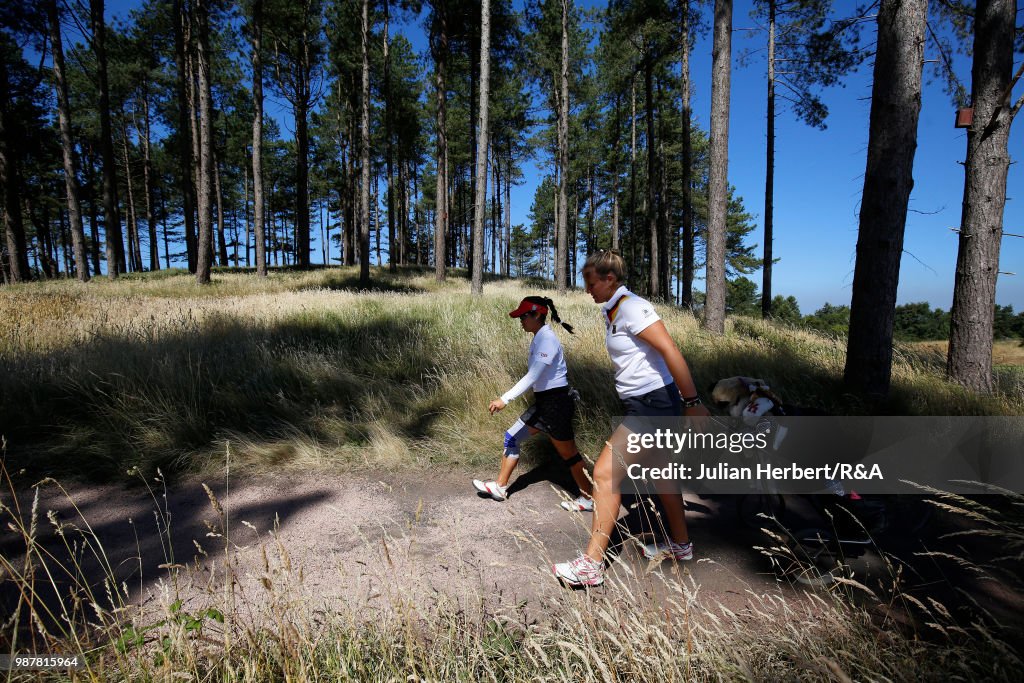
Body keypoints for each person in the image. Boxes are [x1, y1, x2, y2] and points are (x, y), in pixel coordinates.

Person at [552, 250, 710, 587]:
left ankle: (591, 566)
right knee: (662, 473)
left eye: (591, 282)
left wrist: (693, 401)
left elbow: (671, 350)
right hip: (648, 404)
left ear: (610, 279)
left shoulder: (634, 308)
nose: (587, 289)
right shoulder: (613, 310)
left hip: (654, 405)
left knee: (605, 473)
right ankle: (681, 546)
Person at [473, 296, 595, 512]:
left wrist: (505, 399)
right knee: (512, 437)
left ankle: (588, 499)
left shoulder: (547, 339)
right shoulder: (539, 337)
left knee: (570, 455)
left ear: (537, 315)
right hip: (545, 404)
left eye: (523, 316)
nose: (521, 320)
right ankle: (500, 488)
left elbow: (533, 376)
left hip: (556, 405)